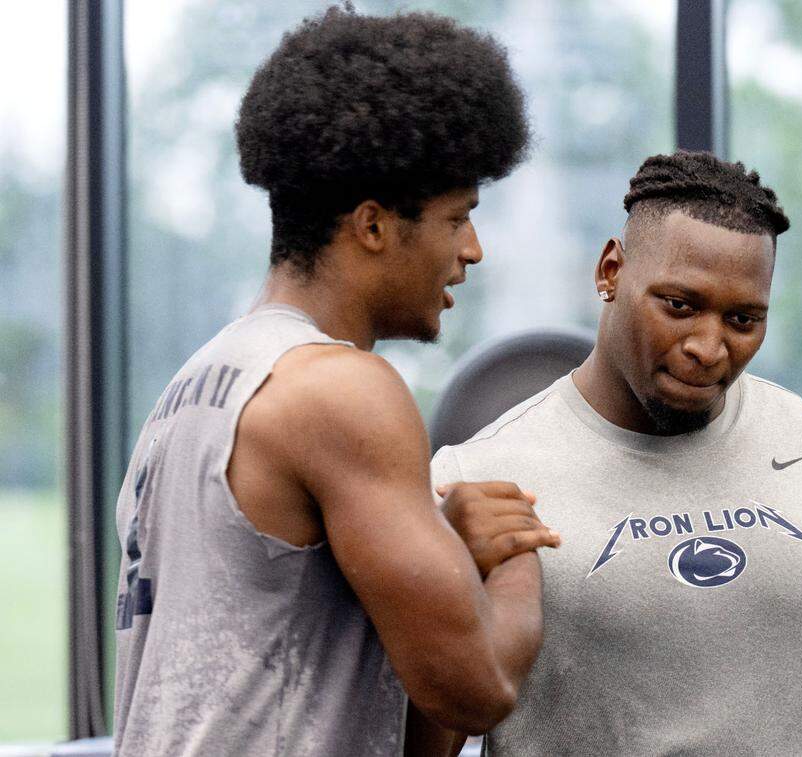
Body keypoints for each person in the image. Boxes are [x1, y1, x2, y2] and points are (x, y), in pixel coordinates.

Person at [112, 8, 560, 756]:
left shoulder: (196, 390)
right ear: (374, 226)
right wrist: (521, 556)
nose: (472, 250)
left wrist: (451, 556)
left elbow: (406, 728)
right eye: (458, 218)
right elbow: (477, 686)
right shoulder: (343, 389)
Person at [428, 151, 802, 755]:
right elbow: (411, 741)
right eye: (680, 306)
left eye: (742, 320)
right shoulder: (472, 481)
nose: (708, 347)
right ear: (611, 270)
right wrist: (447, 572)